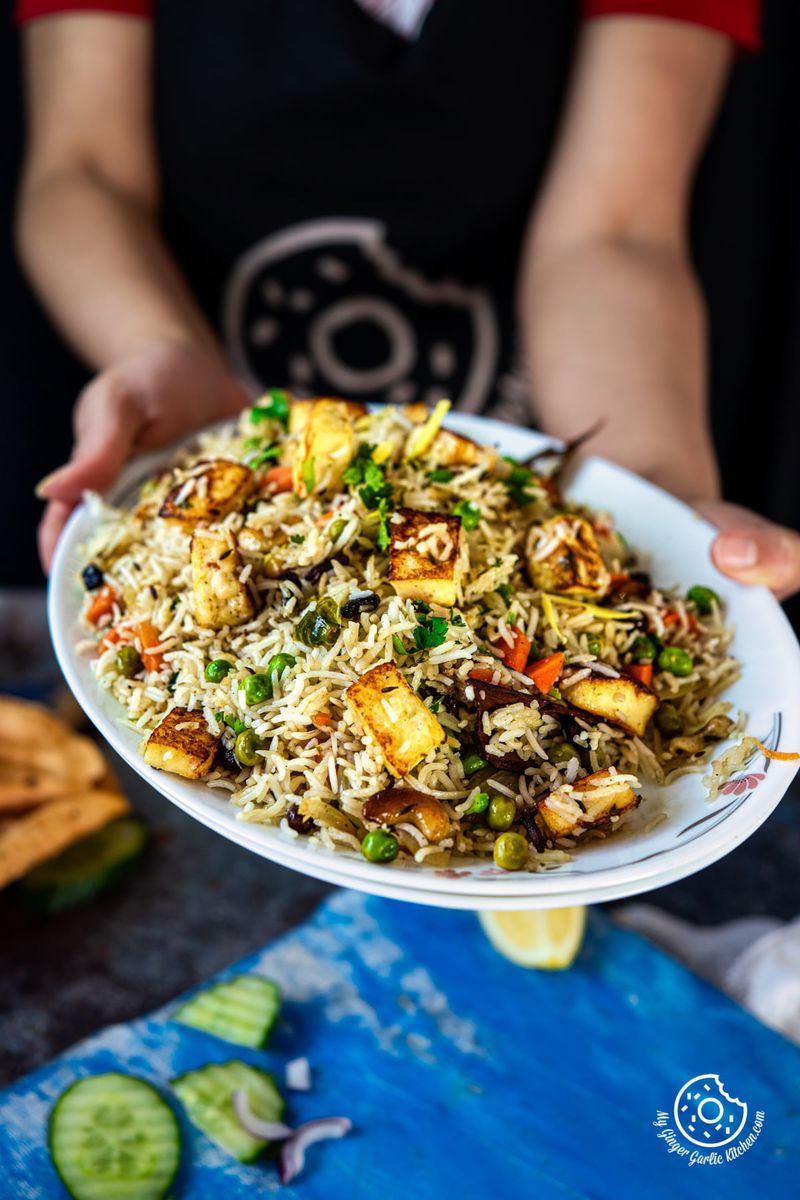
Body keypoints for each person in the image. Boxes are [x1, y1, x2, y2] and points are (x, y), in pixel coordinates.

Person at [15, 0, 800, 597]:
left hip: (525, 463)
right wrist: (161, 346)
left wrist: (646, 493)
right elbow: (83, 173)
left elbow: (614, 231)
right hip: (213, 419)